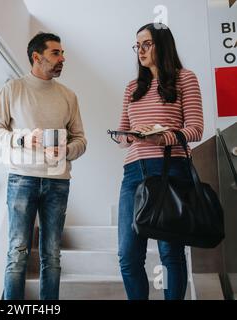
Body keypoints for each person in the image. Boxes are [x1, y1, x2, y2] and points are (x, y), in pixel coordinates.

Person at [0, 32, 87, 300]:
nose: (62, 59)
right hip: (22, 179)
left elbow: (81, 140)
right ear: (36, 57)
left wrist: (67, 150)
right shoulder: (13, 89)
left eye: (62, 53)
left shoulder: (69, 96)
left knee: (52, 255)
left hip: (58, 181)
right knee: (17, 252)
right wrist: (21, 138)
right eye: (56, 53)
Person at [115, 23, 204, 300]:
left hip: (170, 170)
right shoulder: (132, 87)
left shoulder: (184, 78)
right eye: (137, 45)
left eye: (146, 44)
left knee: (170, 253)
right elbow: (122, 134)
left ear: (162, 45)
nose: (140, 50)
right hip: (133, 173)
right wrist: (129, 137)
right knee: (128, 255)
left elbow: (196, 129)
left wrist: (163, 137)